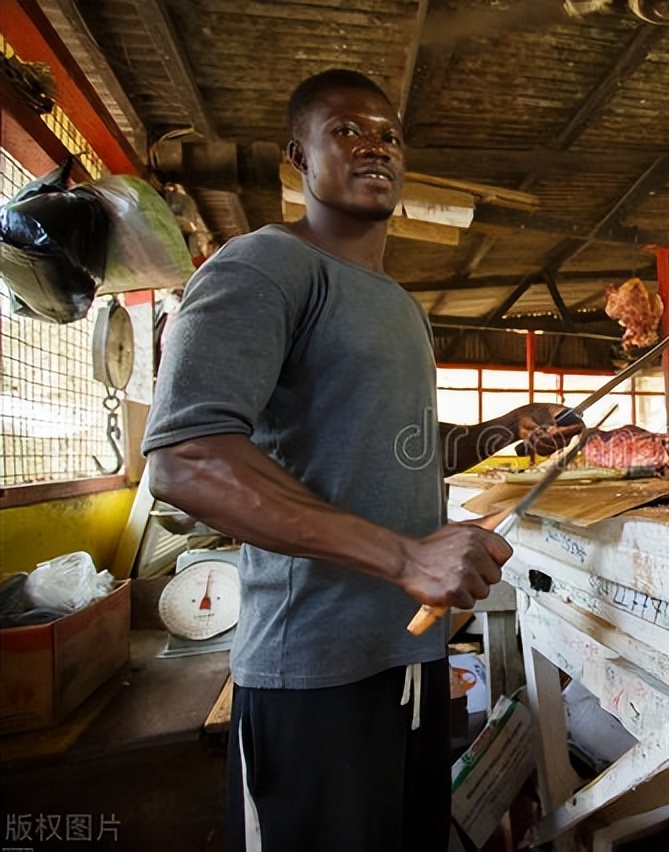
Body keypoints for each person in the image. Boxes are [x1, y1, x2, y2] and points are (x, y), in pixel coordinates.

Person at [142, 69, 576, 852]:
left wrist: (508, 427)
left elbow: (406, 447)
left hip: (405, 662)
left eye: (389, 134)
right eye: (346, 129)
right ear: (296, 156)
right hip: (312, 674)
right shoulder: (262, 267)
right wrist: (404, 554)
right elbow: (188, 456)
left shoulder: (395, 302)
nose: (375, 145)